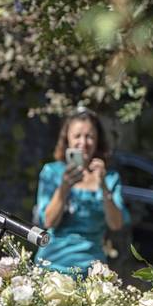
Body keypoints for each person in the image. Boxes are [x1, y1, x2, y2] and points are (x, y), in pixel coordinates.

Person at [34, 109, 130, 275]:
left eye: (89, 136)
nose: (83, 142)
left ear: (98, 139)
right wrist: (64, 188)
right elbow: (48, 221)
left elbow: (116, 224)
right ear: (67, 140)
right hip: (53, 265)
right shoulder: (52, 172)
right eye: (77, 136)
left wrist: (103, 187)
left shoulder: (109, 177)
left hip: (92, 269)